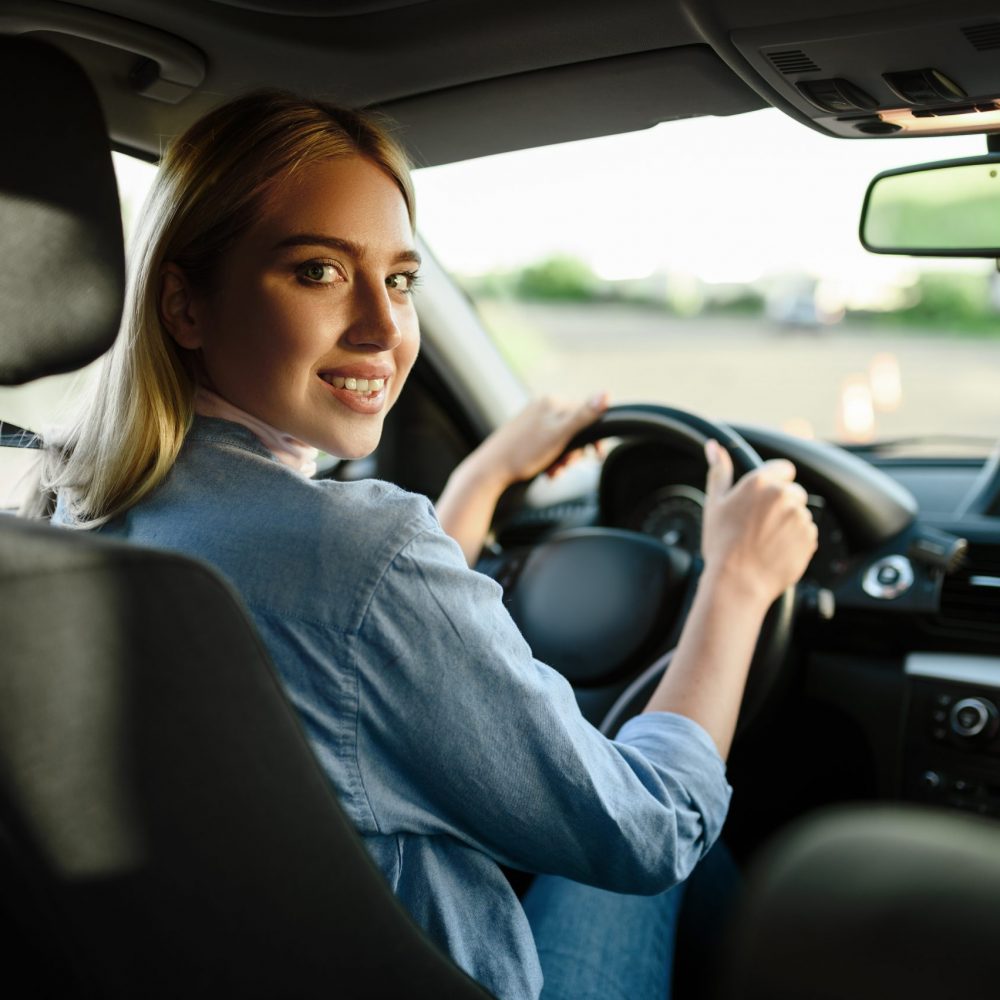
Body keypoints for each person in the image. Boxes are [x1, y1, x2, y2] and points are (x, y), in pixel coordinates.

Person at [31, 92, 818, 1000]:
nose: (382, 326)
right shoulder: (360, 554)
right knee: (684, 848)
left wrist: (478, 487)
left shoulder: (72, 511)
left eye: (401, 279)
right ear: (186, 304)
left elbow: (338, 633)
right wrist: (737, 584)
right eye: (319, 271)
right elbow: (649, 828)